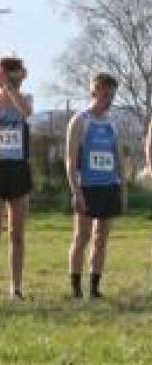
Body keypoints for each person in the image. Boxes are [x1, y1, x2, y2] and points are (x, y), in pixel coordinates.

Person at [67, 72, 124, 300]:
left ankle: (94, 287)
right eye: (104, 94)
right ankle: (75, 288)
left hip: (109, 187)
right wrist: (76, 191)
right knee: (81, 237)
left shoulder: (112, 124)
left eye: (111, 95)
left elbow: (117, 158)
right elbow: (70, 161)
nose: (108, 99)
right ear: (94, 92)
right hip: (87, 187)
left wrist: (123, 190)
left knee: (101, 238)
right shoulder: (80, 121)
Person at [0, 56, 34, 303]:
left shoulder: (24, 99)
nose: (7, 78)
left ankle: (16, 288)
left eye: (12, 74)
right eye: (4, 74)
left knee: (17, 233)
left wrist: (12, 88)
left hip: (19, 169)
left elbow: (25, 111)